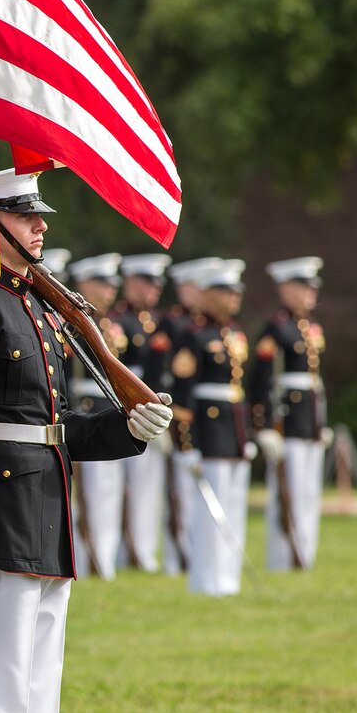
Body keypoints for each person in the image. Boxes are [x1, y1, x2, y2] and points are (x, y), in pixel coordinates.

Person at [0, 168, 172, 713]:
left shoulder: (40, 310)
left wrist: (125, 427)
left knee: (41, 674)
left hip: (47, 501)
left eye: (39, 216)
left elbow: (56, 423)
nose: (40, 226)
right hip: (0, 511)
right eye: (25, 217)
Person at [171, 258, 252, 596]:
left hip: (232, 429)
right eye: (226, 291)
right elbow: (182, 397)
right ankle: (206, 579)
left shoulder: (233, 333)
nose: (235, 297)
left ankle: (228, 577)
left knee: (233, 505)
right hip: (208, 430)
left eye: (236, 291)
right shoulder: (194, 335)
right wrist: (186, 445)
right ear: (207, 294)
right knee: (209, 511)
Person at [248, 256, 328, 571]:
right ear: (286, 288)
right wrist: (264, 425)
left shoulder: (309, 329)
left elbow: (315, 384)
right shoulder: (276, 329)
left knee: (308, 492)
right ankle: (282, 558)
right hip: (288, 421)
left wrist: (321, 422)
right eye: (304, 287)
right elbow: (262, 381)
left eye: (312, 287)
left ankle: (304, 552)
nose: (311, 293)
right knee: (287, 493)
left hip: (309, 421)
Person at [148, 257, 221, 575]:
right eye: (195, 287)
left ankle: (192, 553)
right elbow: (155, 372)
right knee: (176, 490)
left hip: (197, 415)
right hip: (173, 411)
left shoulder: (208, 328)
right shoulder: (173, 324)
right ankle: (177, 556)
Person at [111, 253, 173, 572]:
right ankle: (120, 552)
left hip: (150, 409)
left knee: (148, 488)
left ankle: (144, 551)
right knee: (114, 488)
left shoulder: (155, 322)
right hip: (126, 407)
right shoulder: (118, 321)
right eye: (148, 282)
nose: (154, 290)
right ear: (132, 282)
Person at [66, 253, 126, 581]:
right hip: (86, 410)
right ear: (85, 284)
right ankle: (89, 557)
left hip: (109, 409)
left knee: (109, 492)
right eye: (102, 284)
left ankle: (105, 557)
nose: (109, 290)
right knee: (88, 494)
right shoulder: (73, 323)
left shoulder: (109, 325)